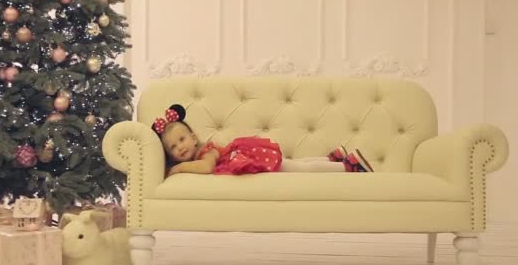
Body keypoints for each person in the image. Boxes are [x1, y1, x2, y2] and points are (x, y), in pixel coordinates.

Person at [152, 104, 373, 176]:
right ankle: (332, 159)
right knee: (297, 164)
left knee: (298, 169)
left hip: (253, 158)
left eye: (181, 139)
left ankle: (347, 166)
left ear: (193, 137)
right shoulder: (197, 154)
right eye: (172, 147)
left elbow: (207, 167)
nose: (179, 147)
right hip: (253, 158)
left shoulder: (206, 152)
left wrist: (178, 169)